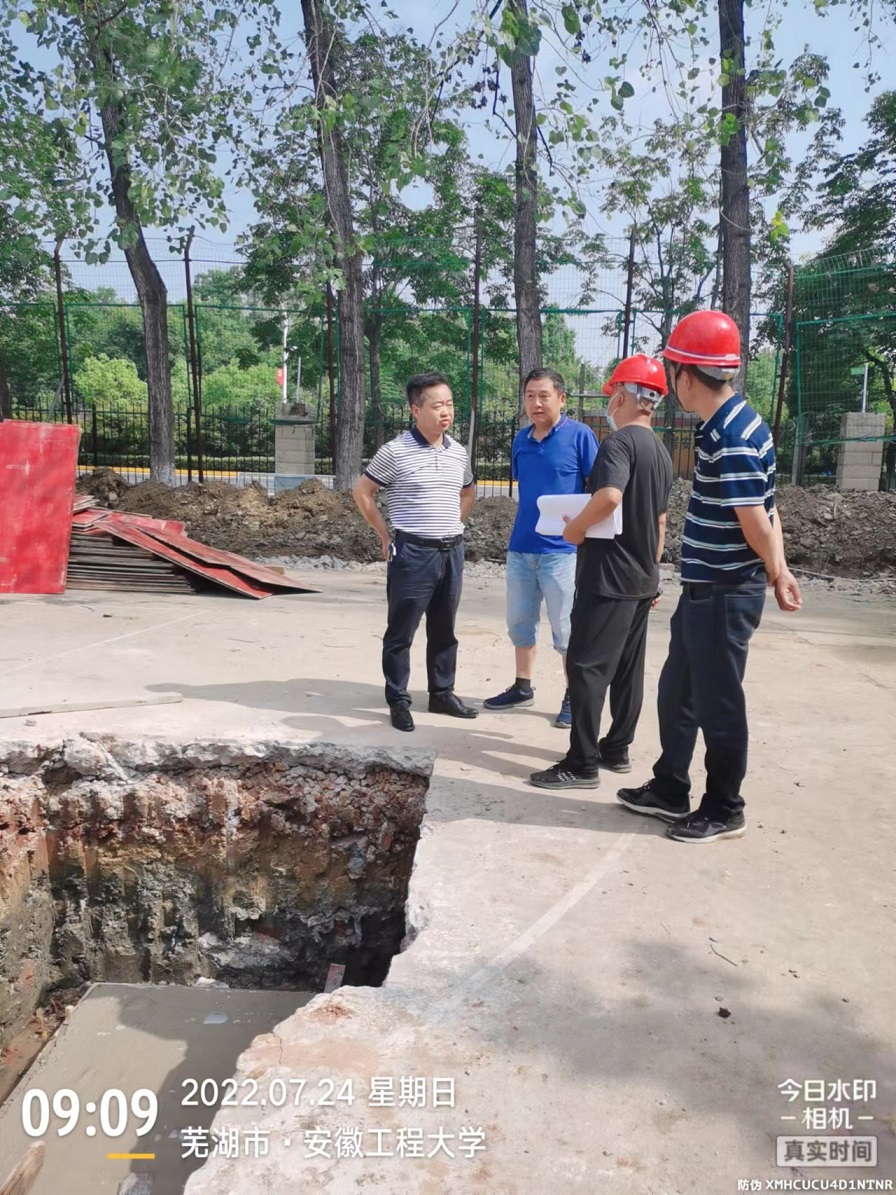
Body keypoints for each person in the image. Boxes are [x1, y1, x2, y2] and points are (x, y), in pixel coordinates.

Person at [616, 311, 802, 843]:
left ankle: (724, 806)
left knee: (719, 701)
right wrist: (779, 566)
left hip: (726, 591)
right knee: (679, 689)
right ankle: (669, 788)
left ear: (686, 376)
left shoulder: (734, 434)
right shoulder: (726, 424)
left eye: (673, 370)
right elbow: (770, 506)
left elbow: (756, 520)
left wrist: (776, 571)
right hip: (705, 588)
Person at [529, 354, 673, 790]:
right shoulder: (660, 451)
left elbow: (609, 496)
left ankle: (582, 763)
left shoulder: (619, 444)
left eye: (612, 393)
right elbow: (660, 520)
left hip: (608, 576)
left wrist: (574, 529)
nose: (609, 401)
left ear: (624, 395)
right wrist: (652, 570)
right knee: (628, 669)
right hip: (641, 578)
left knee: (586, 666)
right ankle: (617, 748)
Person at [352, 372, 479, 733]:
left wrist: (451, 523)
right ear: (416, 410)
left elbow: (468, 492)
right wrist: (384, 534)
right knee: (401, 632)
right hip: (413, 554)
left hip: (451, 552)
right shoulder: (396, 451)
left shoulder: (458, 452)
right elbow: (362, 491)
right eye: (437, 405)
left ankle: (442, 693)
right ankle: (398, 699)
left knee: (445, 630)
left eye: (449, 404)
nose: (446, 412)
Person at [483, 368, 598, 728]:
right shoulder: (521, 439)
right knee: (519, 621)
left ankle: (574, 695)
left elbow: (597, 490)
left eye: (544, 396)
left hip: (563, 551)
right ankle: (522, 687)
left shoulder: (580, 436)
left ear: (561, 399)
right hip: (521, 547)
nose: (536, 403)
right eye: (530, 396)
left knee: (566, 628)